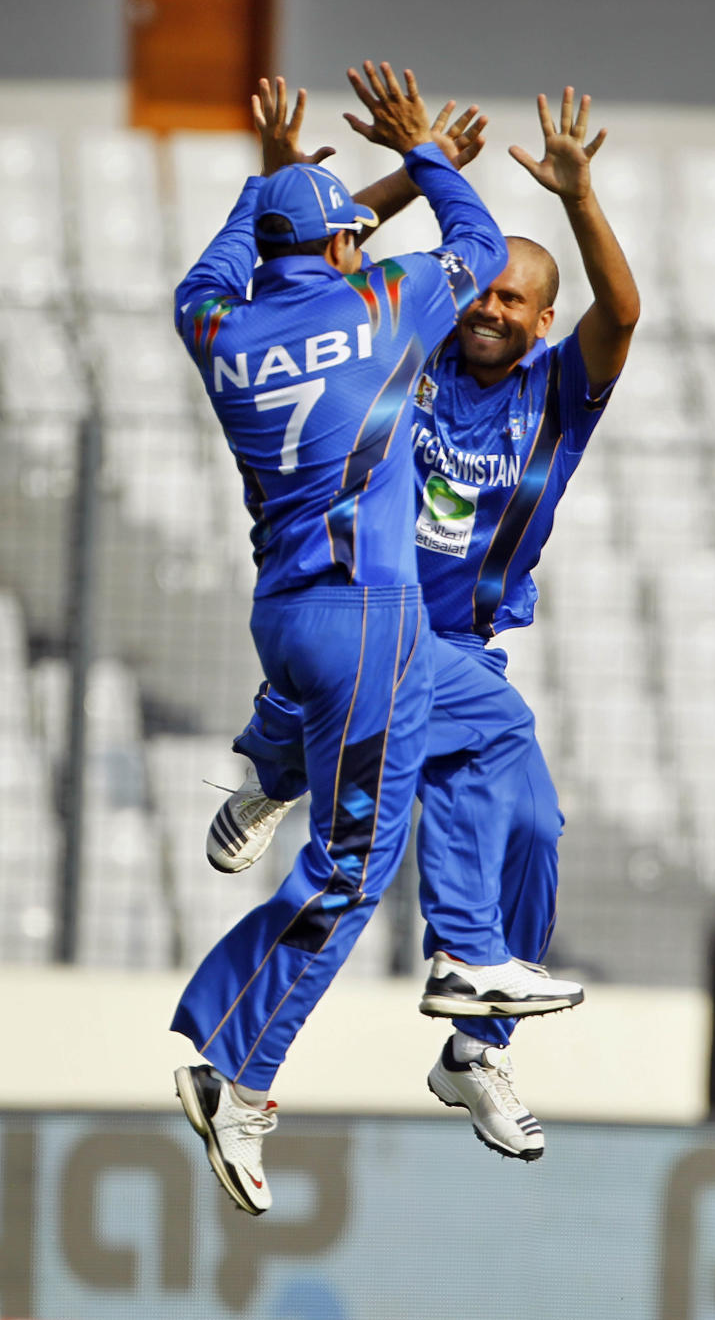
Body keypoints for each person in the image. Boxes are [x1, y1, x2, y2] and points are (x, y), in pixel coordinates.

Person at [170, 64, 580, 1218]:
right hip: (370, 621)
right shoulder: (387, 306)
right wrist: (426, 153)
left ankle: (458, 949)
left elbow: (241, 251)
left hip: (290, 613)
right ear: (349, 248)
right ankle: (239, 1075)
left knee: (498, 727)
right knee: (351, 873)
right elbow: (478, 233)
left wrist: (280, 184)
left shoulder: (219, 325)